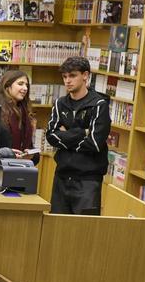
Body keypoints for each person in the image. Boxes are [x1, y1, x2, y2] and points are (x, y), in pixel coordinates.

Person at [46, 56, 110, 215]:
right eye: (64, 77)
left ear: (85, 75)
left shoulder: (99, 104)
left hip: (88, 180)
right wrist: (83, 132)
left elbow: (95, 143)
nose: (67, 81)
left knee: (84, 233)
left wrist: (65, 135)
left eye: (72, 75)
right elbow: (51, 137)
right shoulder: (59, 103)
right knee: (57, 229)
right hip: (61, 176)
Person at [0, 69, 40, 163]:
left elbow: (29, 146)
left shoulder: (25, 112)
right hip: (0, 169)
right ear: (7, 86)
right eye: (20, 84)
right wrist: (9, 155)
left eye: (26, 85)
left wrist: (32, 155)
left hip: (22, 168)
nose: (25, 88)